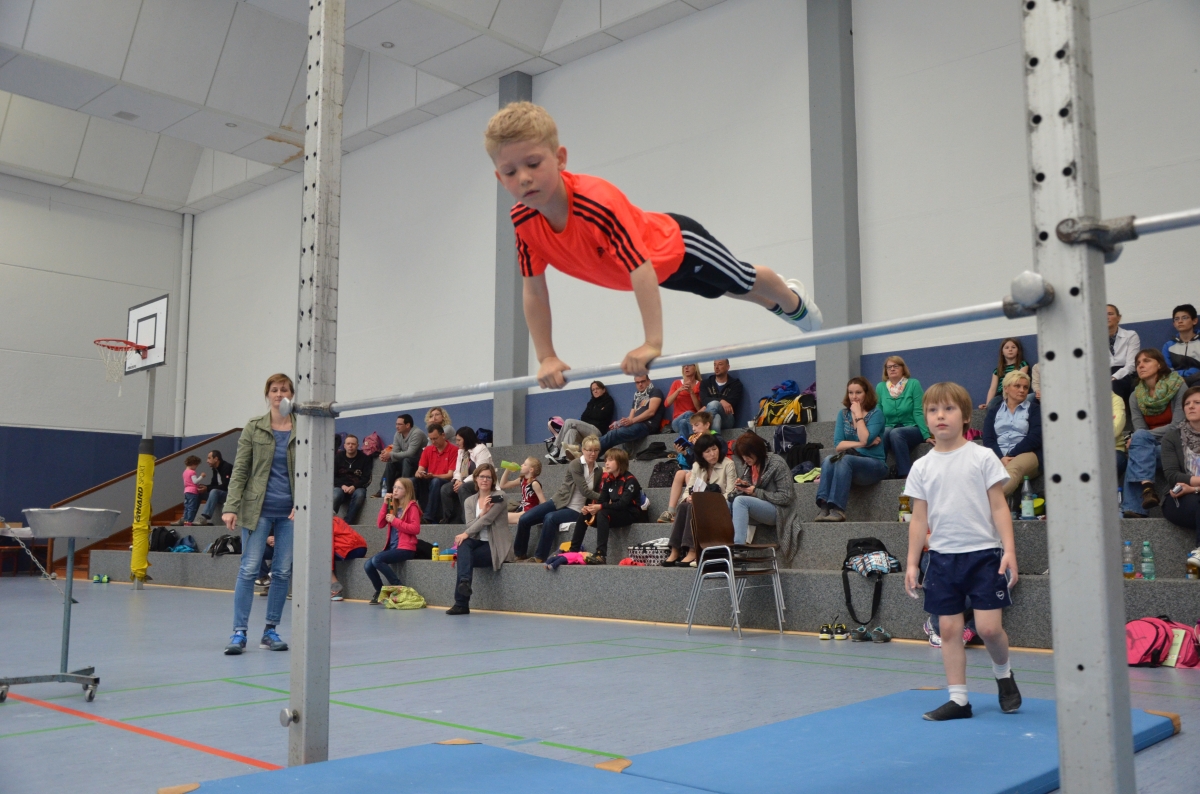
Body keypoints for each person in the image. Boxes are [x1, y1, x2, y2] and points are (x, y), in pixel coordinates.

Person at [486, 101, 821, 393]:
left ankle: (790, 298)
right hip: (661, 272)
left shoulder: (595, 203)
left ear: (560, 159)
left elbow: (639, 267)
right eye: (510, 171)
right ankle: (774, 303)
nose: (524, 178)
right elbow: (534, 290)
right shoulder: (523, 221)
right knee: (723, 290)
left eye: (533, 164)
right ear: (500, 179)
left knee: (741, 280)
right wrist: (546, 356)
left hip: (679, 245)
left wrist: (651, 343)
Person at [903, 381, 1021, 721]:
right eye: (933, 410)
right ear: (926, 417)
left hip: (984, 556)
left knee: (988, 628)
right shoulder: (922, 467)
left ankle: (1003, 674)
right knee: (949, 630)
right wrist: (912, 563)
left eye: (949, 409)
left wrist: (1009, 550)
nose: (940, 416)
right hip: (942, 559)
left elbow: (999, 507)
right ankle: (959, 699)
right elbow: (918, 519)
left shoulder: (982, 457)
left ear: (966, 416)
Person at [221, 373, 296, 655]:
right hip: (257, 509)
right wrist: (231, 506)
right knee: (249, 569)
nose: (279, 394)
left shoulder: (304, 428)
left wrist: (304, 503)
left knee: (282, 572)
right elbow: (240, 469)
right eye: (274, 390)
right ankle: (239, 632)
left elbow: (312, 469)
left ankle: (270, 631)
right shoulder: (254, 427)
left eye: (284, 389)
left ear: (291, 394)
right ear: (268, 395)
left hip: (290, 513)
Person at [514, 436, 603, 562]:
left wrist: (597, 504)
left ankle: (540, 557)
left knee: (550, 518)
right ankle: (520, 554)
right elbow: (585, 490)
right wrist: (605, 498)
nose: (592, 453)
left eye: (596, 450)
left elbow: (593, 492)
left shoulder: (598, 470)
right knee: (524, 519)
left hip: (576, 509)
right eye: (589, 450)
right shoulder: (576, 464)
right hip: (559, 501)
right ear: (583, 450)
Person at [1123, 348, 1187, 518]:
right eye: (1137, 363)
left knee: (1138, 446)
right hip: (1152, 447)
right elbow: (1140, 427)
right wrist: (1140, 438)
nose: (1140, 365)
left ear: (1159, 364)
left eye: (1146, 361)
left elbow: (1178, 425)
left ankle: (1135, 505)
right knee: (1139, 447)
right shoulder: (1135, 396)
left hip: (1177, 444)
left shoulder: (1178, 386)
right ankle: (1146, 493)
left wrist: (1139, 439)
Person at [814, 377, 888, 522]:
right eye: (850, 393)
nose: (854, 397)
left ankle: (838, 509)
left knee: (845, 460)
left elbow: (865, 438)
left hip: (874, 464)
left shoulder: (876, 413)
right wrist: (862, 444)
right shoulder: (843, 414)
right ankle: (824, 507)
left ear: (866, 393)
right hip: (850, 465)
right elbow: (838, 445)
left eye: (858, 392)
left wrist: (858, 415)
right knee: (829, 459)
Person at [446, 464, 512, 615]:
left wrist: (466, 533)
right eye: (482, 476)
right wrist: (481, 513)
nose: (485, 480)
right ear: (475, 478)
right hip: (477, 542)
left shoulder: (499, 496)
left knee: (463, 554)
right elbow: (471, 525)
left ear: (493, 480)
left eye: (489, 477)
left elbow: (487, 520)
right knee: (464, 546)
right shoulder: (469, 501)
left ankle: (461, 603)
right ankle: (464, 583)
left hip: (495, 546)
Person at [663, 434, 738, 567]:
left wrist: (705, 501)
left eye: (714, 449)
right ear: (701, 454)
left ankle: (693, 550)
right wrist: (688, 497)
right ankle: (675, 549)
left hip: (719, 505)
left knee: (693, 507)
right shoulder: (697, 466)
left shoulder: (728, 464)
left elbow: (731, 492)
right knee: (684, 506)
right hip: (701, 504)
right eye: (707, 451)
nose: (712, 454)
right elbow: (689, 488)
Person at [570, 448, 640, 563]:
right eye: (606, 460)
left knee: (603, 513)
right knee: (584, 514)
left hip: (630, 513)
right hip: (614, 512)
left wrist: (600, 507)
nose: (606, 463)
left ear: (620, 462)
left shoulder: (630, 480)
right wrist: (591, 508)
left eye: (610, 460)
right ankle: (573, 551)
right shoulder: (608, 480)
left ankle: (601, 554)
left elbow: (622, 504)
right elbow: (602, 500)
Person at [982, 371, 1043, 498]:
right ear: (1006, 388)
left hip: (1027, 454)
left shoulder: (1034, 409)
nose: (1022, 390)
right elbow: (988, 439)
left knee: (1013, 468)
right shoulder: (994, 411)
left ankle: (986, 503)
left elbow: (1036, 437)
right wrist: (1001, 457)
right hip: (999, 455)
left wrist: (1010, 455)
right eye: (1017, 386)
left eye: (1025, 387)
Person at [730, 432, 796, 544]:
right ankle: (723, 544)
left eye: (748, 455)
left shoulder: (777, 464)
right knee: (728, 503)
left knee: (740, 501)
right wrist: (745, 486)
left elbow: (787, 497)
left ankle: (738, 547)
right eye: (742, 456)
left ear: (757, 450)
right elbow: (752, 489)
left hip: (780, 510)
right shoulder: (750, 465)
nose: (745, 459)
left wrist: (756, 492)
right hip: (760, 506)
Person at [364, 478, 421, 605]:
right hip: (393, 547)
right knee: (368, 565)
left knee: (377, 560)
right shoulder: (393, 506)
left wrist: (395, 521)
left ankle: (398, 587)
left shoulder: (412, 507)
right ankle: (380, 591)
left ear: (407, 491)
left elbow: (415, 529)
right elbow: (380, 524)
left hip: (406, 548)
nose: (395, 490)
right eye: (394, 487)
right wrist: (385, 504)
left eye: (399, 488)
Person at [875, 356, 933, 478]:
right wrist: (875, 434)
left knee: (896, 433)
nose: (892, 369)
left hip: (912, 427)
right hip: (889, 427)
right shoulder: (880, 387)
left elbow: (918, 411)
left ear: (903, 368)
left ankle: (905, 475)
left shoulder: (913, 384)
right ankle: (878, 471)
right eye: (889, 367)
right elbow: (878, 413)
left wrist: (926, 435)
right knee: (884, 433)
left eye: (895, 366)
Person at [1162, 387, 1200, 567]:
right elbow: (1172, 475)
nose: (1190, 406)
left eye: (1197, 402)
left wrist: (1194, 487)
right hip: (1179, 498)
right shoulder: (1172, 437)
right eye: (1187, 403)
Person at [658, 411, 716, 523]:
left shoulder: (714, 439)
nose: (693, 429)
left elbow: (710, 460)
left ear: (707, 425)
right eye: (692, 426)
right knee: (679, 473)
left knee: (689, 475)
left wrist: (699, 446)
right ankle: (671, 511)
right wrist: (685, 453)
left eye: (697, 425)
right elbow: (693, 463)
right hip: (698, 469)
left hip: (710, 470)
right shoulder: (695, 439)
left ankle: (693, 509)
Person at [545, 381, 615, 464]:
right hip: (585, 432)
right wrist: (595, 413)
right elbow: (583, 417)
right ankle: (562, 457)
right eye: (593, 390)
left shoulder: (608, 401)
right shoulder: (591, 403)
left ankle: (556, 446)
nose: (595, 391)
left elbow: (601, 416)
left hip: (597, 431)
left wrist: (592, 415)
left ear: (604, 390)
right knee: (571, 431)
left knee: (569, 422)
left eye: (597, 389)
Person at [599, 375, 664, 453]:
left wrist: (632, 421)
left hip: (647, 425)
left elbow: (651, 412)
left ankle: (590, 447)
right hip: (636, 424)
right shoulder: (637, 397)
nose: (640, 384)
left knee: (613, 435)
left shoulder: (655, 391)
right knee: (612, 433)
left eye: (642, 381)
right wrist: (619, 423)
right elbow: (630, 417)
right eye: (637, 382)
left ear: (648, 381)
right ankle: (593, 452)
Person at [441, 427, 493, 524]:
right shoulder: (461, 451)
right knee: (445, 488)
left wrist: (463, 482)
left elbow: (481, 471)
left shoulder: (481, 449)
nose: (456, 443)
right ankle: (450, 520)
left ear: (467, 439)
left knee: (463, 488)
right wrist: (457, 480)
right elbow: (457, 470)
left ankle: (468, 519)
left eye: (459, 440)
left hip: (482, 480)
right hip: (463, 481)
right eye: (456, 440)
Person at [414, 425, 459, 524]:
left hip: (445, 481)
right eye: (431, 439)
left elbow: (450, 475)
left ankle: (428, 517)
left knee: (435, 481)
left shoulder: (454, 450)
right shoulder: (428, 450)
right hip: (430, 478)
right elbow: (419, 470)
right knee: (412, 481)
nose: (433, 442)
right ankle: (409, 515)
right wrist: (420, 474)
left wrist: (433, 475)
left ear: (443, 435)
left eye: (435, 438)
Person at [332, 435, 373, 524]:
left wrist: (354, 486)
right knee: (336, 495)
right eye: (348, 444)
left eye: (353, 444)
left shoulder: (365, 459)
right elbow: (332, 476)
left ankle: (348, 523)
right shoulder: (338, 457)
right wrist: (342, 486)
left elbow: (366, 478)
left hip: (357, 487)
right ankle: (329, 520)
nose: (350, 446)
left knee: (360, 495)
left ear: (357, 445)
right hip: (340, 487)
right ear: (344, 445)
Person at [978, 338, 1029, 409]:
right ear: (1002, 352)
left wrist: (1009, 393)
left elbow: (1019, 381)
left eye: (1013, 347)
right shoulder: (997, 370)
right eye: (1007, 348)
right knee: (992, 405)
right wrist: (988, 404)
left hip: (1016, 392)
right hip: (1001, 395)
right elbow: (992, 389)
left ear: (1018, 351)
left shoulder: (1023, 365)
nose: (1010, 349)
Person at [380, 414, 427, 487]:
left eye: (399, 424)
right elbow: (395, 452)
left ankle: (404, 487)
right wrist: (386, 456)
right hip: (407, 461)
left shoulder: (417, 433)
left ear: (407, 425)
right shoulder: (397, 434)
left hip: (420, 463)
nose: (397, 426)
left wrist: (391, 455)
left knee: (407, 460)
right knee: (391, 463)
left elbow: (410, 453)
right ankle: (384, 489)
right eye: (396, 424)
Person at [1107, 304, 1141, 402]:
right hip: (1104, 374)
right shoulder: (1093, 338)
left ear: (1119, 318)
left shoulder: (1131, 335)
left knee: (1115, 385)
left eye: (1110, 314)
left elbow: (1131, 365)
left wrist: (1114, 377)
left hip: (1126, 374)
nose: (1106, 317)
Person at [700, 358, 743, 432]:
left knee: (714, 404)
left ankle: (703, 431)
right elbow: (704, 400)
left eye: (720, 364)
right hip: (714, 417)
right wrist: (721, 400)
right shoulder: (706, 383)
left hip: (727, 418)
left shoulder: (735, 384)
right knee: (717, 417)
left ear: (727, 367)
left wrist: (713, 404)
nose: (716, 367)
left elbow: (730, 404)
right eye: (715, 365)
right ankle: (716, 437)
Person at [499, 457, 545, 526]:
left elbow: (543, 503)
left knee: (500, 517)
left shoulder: (534, 483)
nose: (521, 465)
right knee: (498, 515)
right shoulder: (522, 480)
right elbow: (503, 485)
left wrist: (540, 516)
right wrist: (508, 469)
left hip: (529, 512)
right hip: (522, 509)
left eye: (525, 464)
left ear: (531, 470)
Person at [1164, 304, 1200, 387]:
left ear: (1194, 321)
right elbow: (1167, 370)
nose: (1180, 321)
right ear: (1174, 324)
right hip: (1176, 381)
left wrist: (1189, 379)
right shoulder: (1168, 346)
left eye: (1184, 318)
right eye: (1176, 319)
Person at [196, 450, 233, 526]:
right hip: (218, 494)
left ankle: (204, 518)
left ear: (216, 459)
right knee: (197, 492)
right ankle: (188, 518)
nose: (207, 461)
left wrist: (207, 488)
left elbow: (226, 486)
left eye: (209, 458)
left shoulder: (227, 467)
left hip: (229, 495)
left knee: (214, 491)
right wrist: (204, 487)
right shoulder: (215, 469)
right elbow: (214, 484)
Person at [664, 364, 703, 436]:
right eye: (684, 366)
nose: (686, 367)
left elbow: (699, 409)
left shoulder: (700, 385)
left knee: (683, 422)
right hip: (676, 420)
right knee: (687, 414)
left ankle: (686, 442)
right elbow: (667, 404)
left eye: (689, 365)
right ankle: (695, 437)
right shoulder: (676, 383)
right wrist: (678, 390)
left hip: (694, 419)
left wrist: (691, 392)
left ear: (695, 368)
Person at [176, 455, 205, 526]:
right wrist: (202, 476)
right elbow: (195, 481)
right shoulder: (192, 472)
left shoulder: (185, 472)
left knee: (187, 506)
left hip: (186, 491)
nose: (196, 467)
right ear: (193, 464)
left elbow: (188, 482)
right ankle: (189, 521)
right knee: (192, 507)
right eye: (196, 465)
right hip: (193, 492)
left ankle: (185, 520)